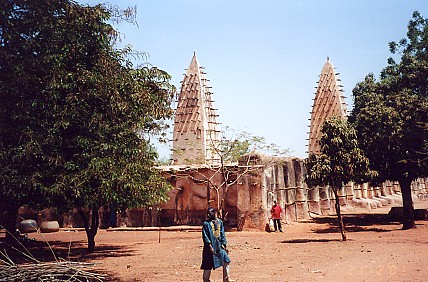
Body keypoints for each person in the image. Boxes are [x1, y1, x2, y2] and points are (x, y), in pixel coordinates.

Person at [201, 207, 235, 282]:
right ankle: (206, 279)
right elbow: (205, 236)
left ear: (215, 213)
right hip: (209, 248)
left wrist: (224, 245)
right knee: (208, 264)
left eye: (210, 213)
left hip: (219, 246)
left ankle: (226, 278)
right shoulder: (206, 224)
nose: (208, 215)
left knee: (226, 260)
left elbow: (222, 233)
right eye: (208, 214)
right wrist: (210, 246)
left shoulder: (220, 222)